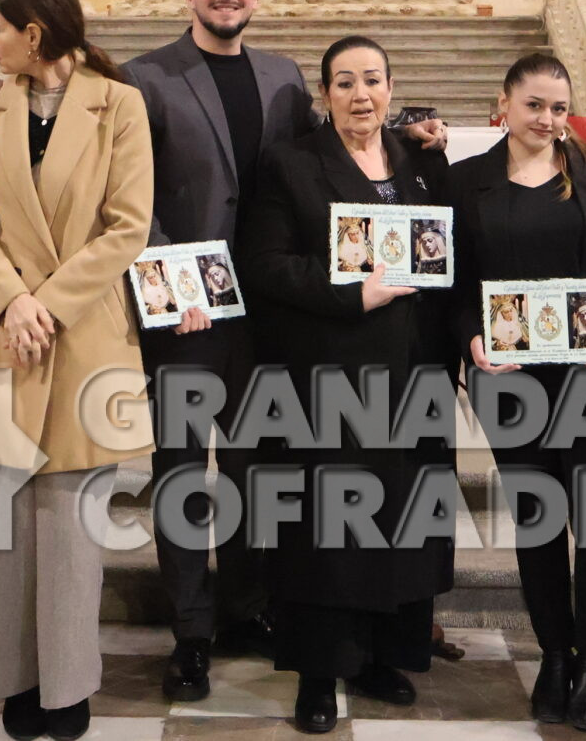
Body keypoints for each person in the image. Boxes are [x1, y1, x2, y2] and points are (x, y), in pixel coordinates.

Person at [123, 0, 447, 700]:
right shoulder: (146, 77)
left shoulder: (282, 77)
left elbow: (329, 155)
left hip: (271, 314)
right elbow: (129, 194)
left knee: (259, 468)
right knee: (183, 469)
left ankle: (246, 607)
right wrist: (170, 288)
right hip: (191, 311)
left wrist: (403, 132)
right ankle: (191, 633)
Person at [0, 0, 156, 741]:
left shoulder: (119, 103)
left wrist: (48, 302)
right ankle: (15, 677)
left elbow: (128, 225)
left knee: (71, 525)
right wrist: (12, 300)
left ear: (34, 33)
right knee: (5, 520)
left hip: (81, 329)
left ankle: (67, 686)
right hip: (11, 330)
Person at [240, 36, 453, 736]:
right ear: (324, 94)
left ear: (391, 87)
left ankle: (380, 654)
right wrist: (349, 293)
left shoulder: (420, 160)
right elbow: (265, 264)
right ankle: (318, 672)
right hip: (331, 370)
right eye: (344, 82)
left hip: (415, 370)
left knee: (400, 520)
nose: (361, 95)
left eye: (372, 80)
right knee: (328, 530)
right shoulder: (291, 163)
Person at [453, 53, 586, 733]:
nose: (547, 119)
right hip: (512, 383)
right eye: (534, 105)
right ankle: (553, 653)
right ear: (504, 104)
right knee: (538, 522)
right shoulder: (467, 182)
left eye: (558, 107)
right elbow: (454, 281)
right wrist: (470, 338)